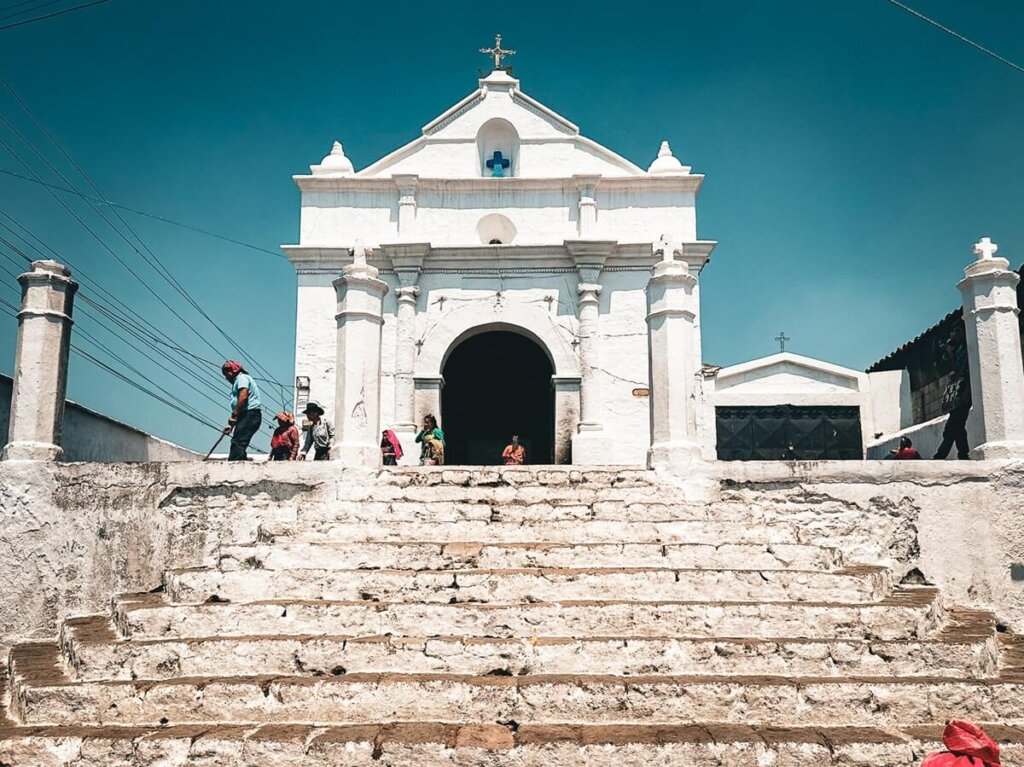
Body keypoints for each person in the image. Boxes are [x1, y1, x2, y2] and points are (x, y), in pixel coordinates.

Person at [934, 323, 972, 460]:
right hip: (958, 390)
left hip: (965, 390)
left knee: (952, 426)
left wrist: (967, 391)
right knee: (957, 425)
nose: (954, 334)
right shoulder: (958, 349)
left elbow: (967, 370)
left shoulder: (969, 346)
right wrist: (950, 353)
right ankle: (963, 454)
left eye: (957, 330)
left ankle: (941, 455)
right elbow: (956, 370)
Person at [221, 360, 262, 461]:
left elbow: (243, 397)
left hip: (250, 414)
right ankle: (241, 462)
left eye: (228, 371)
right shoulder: (238, 381)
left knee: (238, 442)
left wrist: (234, 415)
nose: (227, 376)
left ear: (235, 369)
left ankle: (234, 466)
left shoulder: (242, 378)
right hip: (245, 415)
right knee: (238, 442)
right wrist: (231, 425)